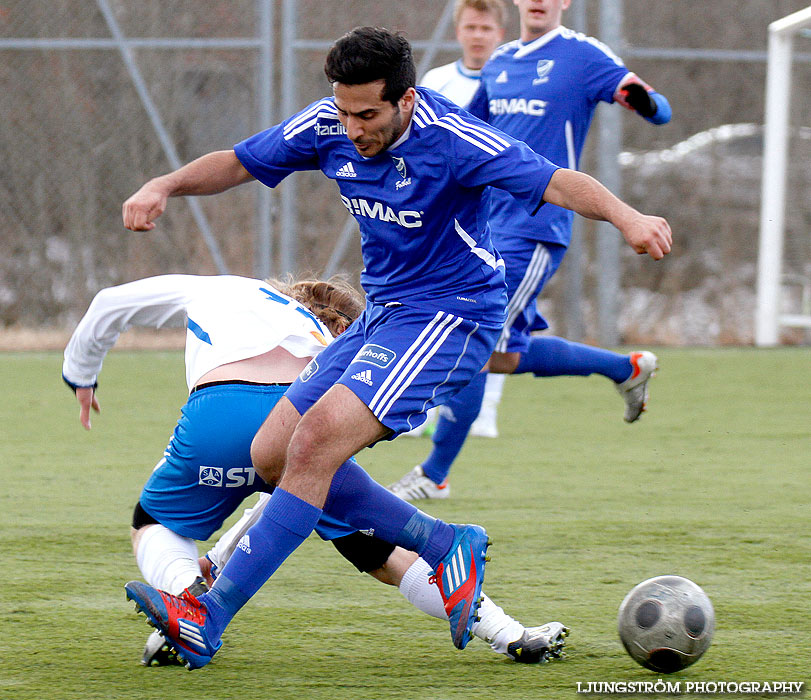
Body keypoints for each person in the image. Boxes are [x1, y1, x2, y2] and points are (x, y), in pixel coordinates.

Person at [121, 26, 671, 670]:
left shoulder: (455, 140)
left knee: (315, 443)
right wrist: (165, 184)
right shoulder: (332, 122)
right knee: (271, 452)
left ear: (407, 99)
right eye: (345, 111)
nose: (351, 127)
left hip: (452, 315)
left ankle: (205, 618)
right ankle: (444, 542)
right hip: (383, 316)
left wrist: (629, 217)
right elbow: (241, 160)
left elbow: (556, 180)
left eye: (368, 114)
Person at [62, 273, 566, 667]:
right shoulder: (335, 348)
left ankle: (186, 603)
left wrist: (80, 374)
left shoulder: (227, 289)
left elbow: (110, 302)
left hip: (222, 412)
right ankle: (508, 632)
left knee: (154, 523)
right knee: (381, 552)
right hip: (309, 415)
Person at [388, 0, 673, 501]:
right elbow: (467, 132)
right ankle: (625, 369)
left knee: (473, 338)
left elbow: (656, 107)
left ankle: (434, 475)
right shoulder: (499, 64)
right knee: (501, 355)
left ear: (565, 2)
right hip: (487, 224)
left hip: (536, 225)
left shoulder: (583, 55)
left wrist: (639, 98)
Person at [404, 0, 509, 440]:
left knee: (499, 312)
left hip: (506, 209)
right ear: (459, 31)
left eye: (486, 27)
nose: (479, 34)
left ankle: (484, 410)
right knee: (428, 301)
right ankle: (420, 406)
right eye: (471, 26)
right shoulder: (436, 82)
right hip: (445, 215)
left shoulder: (513, 78)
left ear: (500, 32)